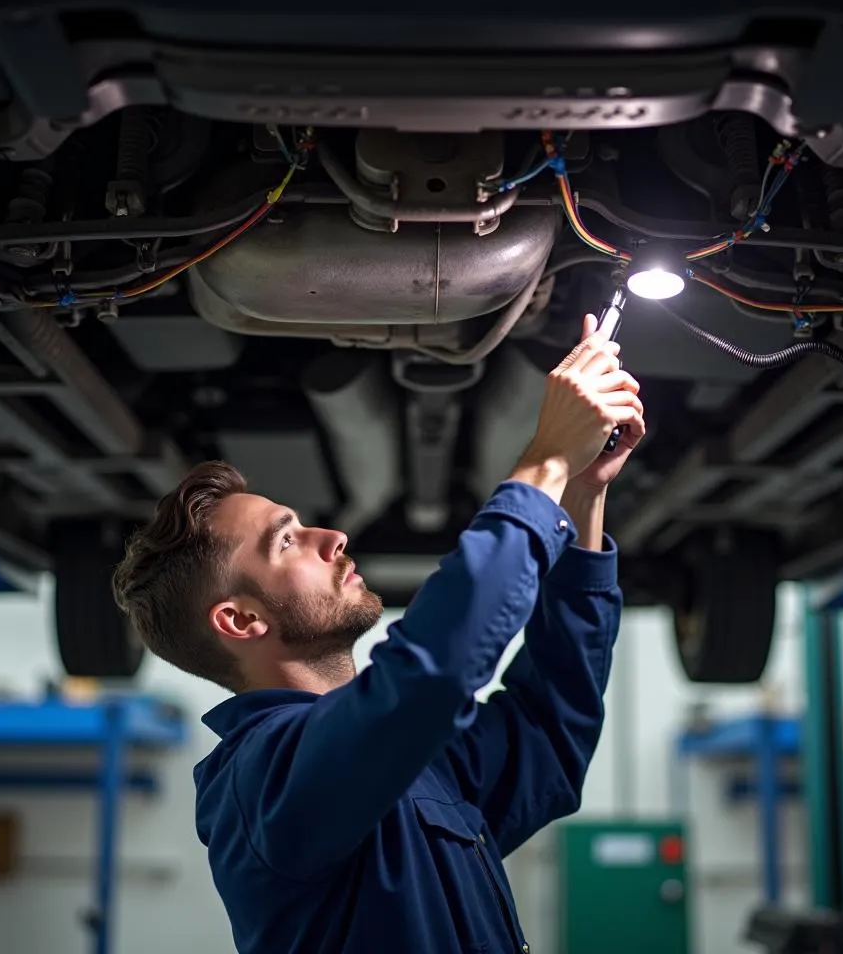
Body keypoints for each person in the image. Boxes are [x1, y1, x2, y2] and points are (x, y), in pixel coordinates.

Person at [112, 314, 646, 954]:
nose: (332, 537)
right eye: (287, 541)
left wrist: (581, 496)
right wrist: (547, 460)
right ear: (241, 621)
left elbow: (549, 736)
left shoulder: (405, 759)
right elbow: (431, 672)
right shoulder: (264, 782)